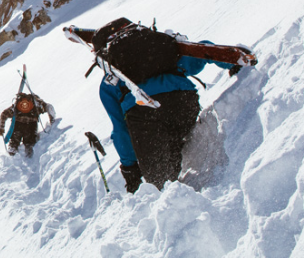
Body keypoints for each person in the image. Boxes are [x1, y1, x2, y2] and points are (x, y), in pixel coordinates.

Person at [91, 18, 238, 192]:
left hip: (144, 115)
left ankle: (173, 200)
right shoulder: (160, 49)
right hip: (183, 103)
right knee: (176, 141)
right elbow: (201, 52)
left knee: (159, 184)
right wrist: (233, 63)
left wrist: (130, 169)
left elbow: (120, 129)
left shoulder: (111, 80)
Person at [0, 92, 54, 157]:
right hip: (31, 125)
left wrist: (1, 127)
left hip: (18, 124)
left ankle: (12, 153)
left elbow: (4, 114)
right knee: (30, 143)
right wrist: (52, 120)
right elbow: (49, 108)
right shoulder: (36, 104)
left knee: (15, 140)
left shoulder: (16, 106)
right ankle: (30, 156)